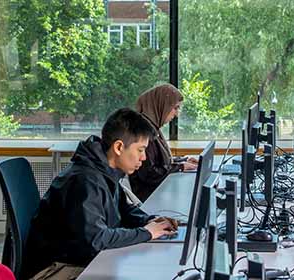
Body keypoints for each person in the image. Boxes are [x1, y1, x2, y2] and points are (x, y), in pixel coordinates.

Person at [21, 108, 180, 280]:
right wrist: (147, 233)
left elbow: (125, 210)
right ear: (119, 147)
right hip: (53, 269)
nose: (143, 158)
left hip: (75, 259)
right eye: (140, 150)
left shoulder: (103, 170)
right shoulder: (85, 181)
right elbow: (96, 239)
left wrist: (149, 221)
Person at [130, 84, 198, 201]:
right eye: (175, 108)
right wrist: (180, 167)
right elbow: (150, 173)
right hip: (152, 198)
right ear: (161, 105)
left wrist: (183, 160)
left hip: (159, 192)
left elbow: (160, 161)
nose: (177, 114)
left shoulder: (153, 127)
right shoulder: (144, 132)